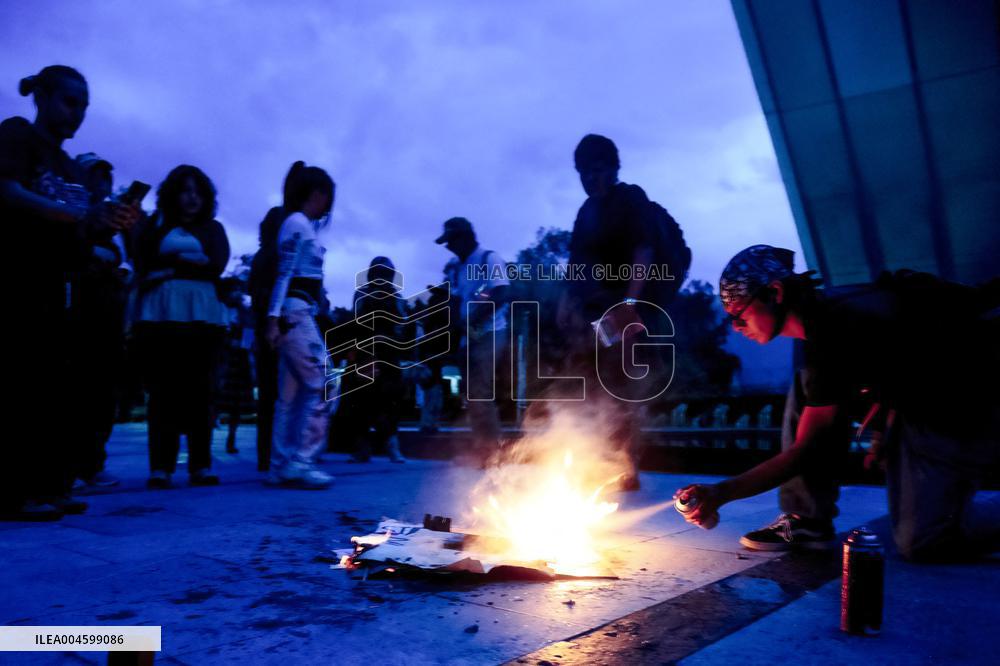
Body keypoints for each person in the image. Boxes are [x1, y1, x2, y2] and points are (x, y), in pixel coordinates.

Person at [676, 245, 1000, 560]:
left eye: (739, 314)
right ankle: (807, 520)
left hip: (963, 410)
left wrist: (722, 493)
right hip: (920, 396)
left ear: (774, 293)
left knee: (922, 541)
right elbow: (890, 364)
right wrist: (882, 429)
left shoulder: (838, 325)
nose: (736, 326)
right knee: (810, 387)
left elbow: (807, 449)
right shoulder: (818, 325)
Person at [0, 65, 138, 520]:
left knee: (55, 386)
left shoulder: (68, 167)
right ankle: (15, 492)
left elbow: (80, 228)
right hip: (18, 273)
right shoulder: (17, 135)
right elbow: (6, 190)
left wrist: (104, 221)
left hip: (60, 282)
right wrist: (61, 213)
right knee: (20, 383)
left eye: (83, 106)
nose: (77, 113)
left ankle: (49, 484)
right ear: (42, 97)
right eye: (69, 102)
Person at [556, 134, 681, 490]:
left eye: (597, 170)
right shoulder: (585, 212)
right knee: (593, 381)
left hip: (629, 308)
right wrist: (568, 302)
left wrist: (630, 304)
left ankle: (625, 467)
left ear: (612, 168)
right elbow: (576, 262)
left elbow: (644, 250)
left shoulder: (630, 198)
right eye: (583, 172)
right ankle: (593, 457)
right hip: (595, 313)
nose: (590, 179)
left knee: (625, 385)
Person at [134, 165, 230, 489]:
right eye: (185, 191)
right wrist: (190, 263)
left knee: (201, 389)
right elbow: (142, 261)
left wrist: (170, 266)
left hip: (203, 311)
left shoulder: (213, 229)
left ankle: (200, 464)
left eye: (197, 192)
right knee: (163, 390)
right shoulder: (156, 224)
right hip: (162, 311)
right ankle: (161, 466)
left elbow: (216, 264)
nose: (191, 199)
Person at [263, 161, 336, 489]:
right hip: (295, 313)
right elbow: (284, 273)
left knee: (290, 394)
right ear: (317, 193)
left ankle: (282, 464)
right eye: (325, 195)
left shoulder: (299, 224)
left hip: (297, 311)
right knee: (325, 383)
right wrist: (273, 318)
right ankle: (301, 460)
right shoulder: (297, 224)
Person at [69, 152, 137, 489]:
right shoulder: (70, 213)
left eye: (105, 178)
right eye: (93, 176)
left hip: (111, 312)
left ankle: (93, 463)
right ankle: (67, 464)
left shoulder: (117, 223)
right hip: (77, 309)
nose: (100, 184)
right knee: (76, 388)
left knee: (104, 390)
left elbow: (129, 261)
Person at [437, 216, 510, 463]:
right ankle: (484, 446)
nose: (449, 247)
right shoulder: (456, 267)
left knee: (479, 390)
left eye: (451, 241)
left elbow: (501, 292)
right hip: (468, 336)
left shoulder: (490, 258)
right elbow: (455, 300)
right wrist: (453, 332)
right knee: (471, 393)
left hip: (491, 331)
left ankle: (491, 452)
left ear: (466, 237)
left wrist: (475, 318)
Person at [248, 165, 301, 471]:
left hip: (272, 326)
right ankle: (273, 455)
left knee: (275, 394)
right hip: (277, 328)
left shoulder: (264, 257)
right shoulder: (271, 257)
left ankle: (270, 455)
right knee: (277, 393)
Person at [337, 257, 408, 463]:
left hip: (386, 355)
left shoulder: (396, 298)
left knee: (389, 404)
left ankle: (389, 445)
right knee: (361, 404)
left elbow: (401, 327)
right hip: (366, 353)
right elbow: (357, 323)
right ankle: (363, 447)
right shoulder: (364, 295)